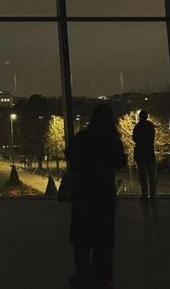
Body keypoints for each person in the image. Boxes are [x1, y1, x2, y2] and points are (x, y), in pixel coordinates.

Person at [68, 104, 127, 289]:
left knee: (82, 236)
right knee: (103, 236)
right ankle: (100, 274)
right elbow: (120, 162)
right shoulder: (111, 140)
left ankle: (82, 273)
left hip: (84, 191)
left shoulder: (83, 137)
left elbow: (71, 155)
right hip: (103, 192)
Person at [132, 110, 157, 199]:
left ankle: (144, 194)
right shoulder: (150, 126)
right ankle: (153, 194)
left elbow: (134, 138)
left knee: (142, 174)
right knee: (151, 174)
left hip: (140, 151)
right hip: (149, 151)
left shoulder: (137, 126)